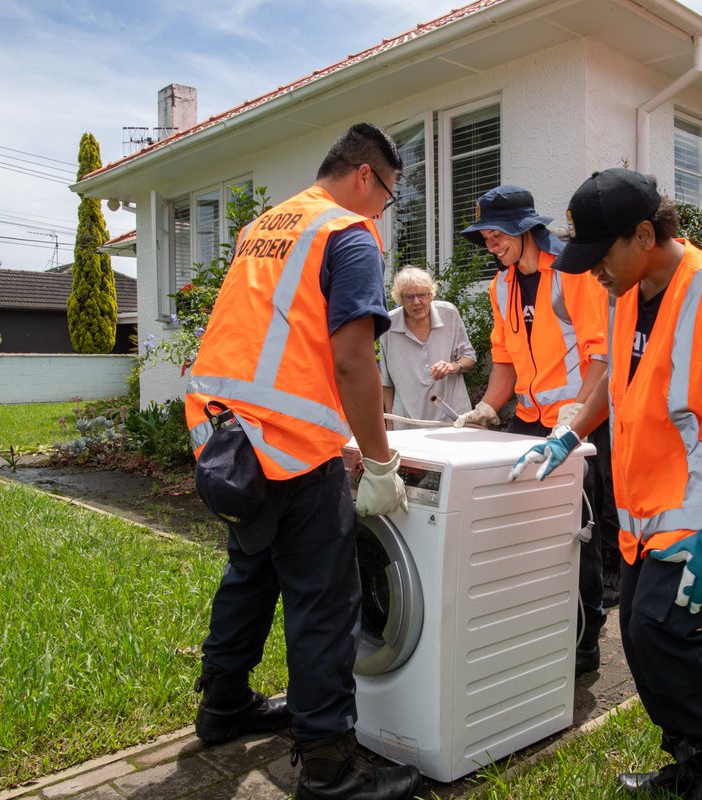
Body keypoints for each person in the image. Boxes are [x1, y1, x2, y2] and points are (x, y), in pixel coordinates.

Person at [511, 168, 702, 799]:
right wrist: (569, 429)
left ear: (643, 235)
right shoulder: (625, 290)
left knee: (662, 631)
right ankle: (692, 765)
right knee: (636, 632)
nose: (593, 271)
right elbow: (616, 378)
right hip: (651, 508)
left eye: (600, 255)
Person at [184, 122, 421, 800]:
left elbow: (277, 339)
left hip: (224, 436)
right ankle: (329, 767)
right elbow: (352, 358)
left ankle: (223, 705)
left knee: (250, 570)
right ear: (366, 176)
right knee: (323, 600)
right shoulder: (348, 232)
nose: (384, 211)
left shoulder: (266, 225)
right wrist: (379, 463)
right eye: (390, 195)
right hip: (286, 447)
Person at [453, 184, 612, 677]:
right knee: (523, 525)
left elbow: (602, 355)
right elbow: (503, 359)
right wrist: (485, 407)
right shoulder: (500, 286)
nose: (490, 244)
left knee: (573, 532)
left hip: (577, 423)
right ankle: (531, 622)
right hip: (528, 421)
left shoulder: (572, 272)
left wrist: (577, 415)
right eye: (483, 236)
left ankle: (584, 641)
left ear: (527, 228)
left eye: (497, 233)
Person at [379, 266, 476, 428]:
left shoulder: (449, 314)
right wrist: (390, 426)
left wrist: (453, 366)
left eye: (422, 295)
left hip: (452, 418)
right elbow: (386, 383)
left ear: (431, 295)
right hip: (407, 422)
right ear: (400, 299)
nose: (417, 302)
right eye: (409, 297)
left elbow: (470, 358)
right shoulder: (388, 325)